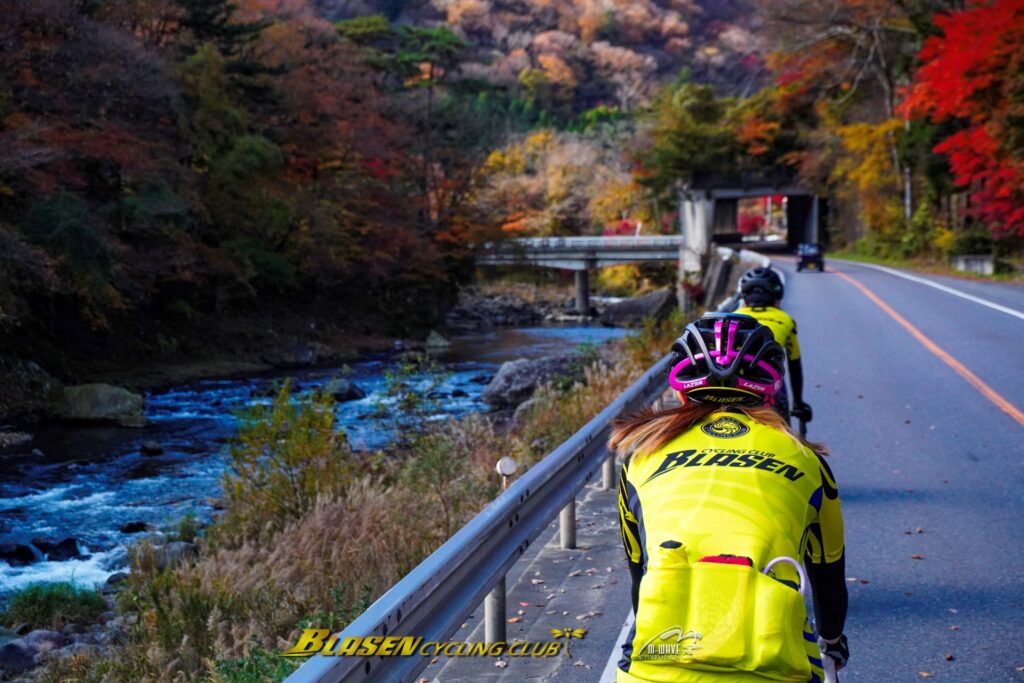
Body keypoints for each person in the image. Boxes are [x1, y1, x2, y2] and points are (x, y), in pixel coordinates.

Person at [611, 313, 848, 683]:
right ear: (771, 391)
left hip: (657, 662)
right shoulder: (807, 461)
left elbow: (641, 575)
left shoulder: (640, 457)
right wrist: (832, 641)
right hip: (775, 665)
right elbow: (828, 576)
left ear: (679, 389)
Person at [734, 267, 811, 425]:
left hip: (728, 381)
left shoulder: (730, 318)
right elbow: (794, 363)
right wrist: (798, 403)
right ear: (777, 298)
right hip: (770, 388)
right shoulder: (786, 320)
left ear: (744, 297)